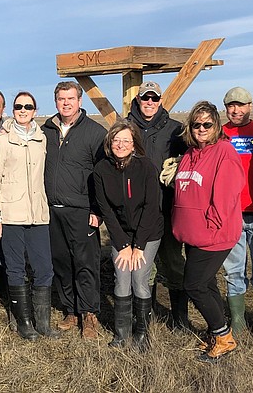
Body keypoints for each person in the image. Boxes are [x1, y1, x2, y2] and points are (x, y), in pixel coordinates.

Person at [172, 101, 245, 362]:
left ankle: (224, 337)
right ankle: (219, 332)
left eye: (207, 124)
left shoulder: (224, 152)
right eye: (196, 124)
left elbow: (227, 194)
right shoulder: (190, 153)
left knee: (193, 285)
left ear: (216, 126)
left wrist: (212, 222)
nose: (201, 129)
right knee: (205, 283)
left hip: (214, 233)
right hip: (191, 233)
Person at [0, 92, 59, 340]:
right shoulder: (3, 140)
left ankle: (44, 324)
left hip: (38, 214)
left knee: (44, 268)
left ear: (35, 110)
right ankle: (24, 323)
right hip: (11, 214)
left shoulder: (42, 139)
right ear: (13, 110)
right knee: (15, 268)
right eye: (18, 106)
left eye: (28, 106)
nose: (23, 110)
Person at [40, 81, 106, 339]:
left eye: (70, 98)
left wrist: (97, 209)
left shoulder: (94, 133)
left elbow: (102, 175)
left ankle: (89, 313)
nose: (65, 103)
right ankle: (71, 309)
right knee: (62, 262)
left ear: (80, 101)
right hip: (50, 210)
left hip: (81, 210)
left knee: (85, 263)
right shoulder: (45, 131)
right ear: (55, 101)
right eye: (61, 99)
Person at [94, 119, 163, 351]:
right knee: (122, 279)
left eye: (126, 140)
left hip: (148, 232)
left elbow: (151, 208)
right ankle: (121, 334)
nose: (121, 145)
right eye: (116, 140)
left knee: (139, 279)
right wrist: (123, 243)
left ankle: (142, 334)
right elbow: (106, 210)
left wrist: (139, 245)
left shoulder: (146, 167)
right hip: (120, 232)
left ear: (134, 145)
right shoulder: (101, 170)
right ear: (109, 142)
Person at [127, 81, 189, 329]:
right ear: (138, 100)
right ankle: (145, 316)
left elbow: (197, 157)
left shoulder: (176, 130)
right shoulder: (127, 128)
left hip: (168, 209)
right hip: (137, 212)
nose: (149, 103)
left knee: (173, 263)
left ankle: (180, 317)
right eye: (145, 98)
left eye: (154, 98)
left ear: (161, 101)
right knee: (144, 267)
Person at [220, 87, 253, 334]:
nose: (235, 110)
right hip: (231, 215)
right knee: (233, 271)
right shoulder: (220, 134)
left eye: (240, 105)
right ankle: (237, 322)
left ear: (249, 106)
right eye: (231, 105)